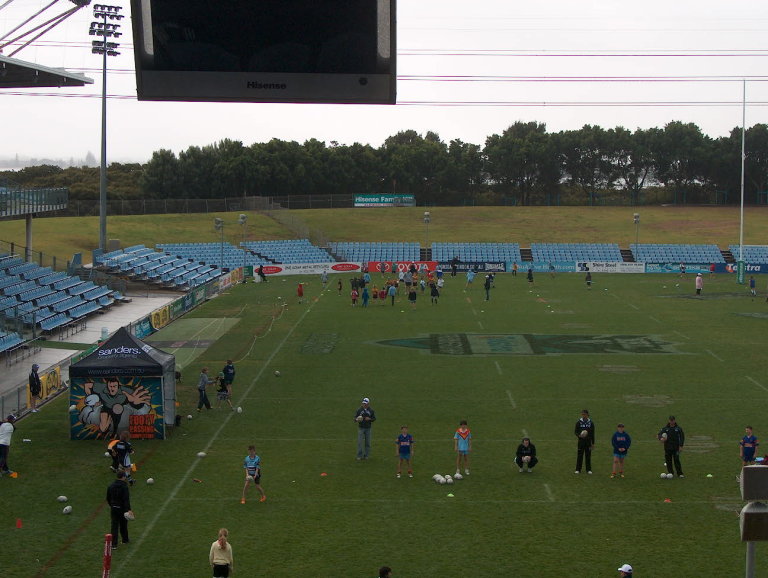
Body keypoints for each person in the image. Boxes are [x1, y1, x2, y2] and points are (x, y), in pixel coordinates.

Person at [105, 470, 133, 549]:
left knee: (114, 526)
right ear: (123, 477)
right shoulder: (124, 486)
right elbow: (126, 499)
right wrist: (129, 509)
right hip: (122, 508)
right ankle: (125, 540)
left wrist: (112, 505)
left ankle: (113, 545)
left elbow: (108, 498)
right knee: (123, 524)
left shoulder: (111, 485)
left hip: (114, 508)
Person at [574, 409, 595, 474]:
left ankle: (588, 469)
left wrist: (593, 443)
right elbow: (576, 432)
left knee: (588, 455)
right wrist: (579, 435)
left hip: (588, 442)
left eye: (584, 414)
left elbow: (592, 434)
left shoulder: (591, 423)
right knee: (580, 455)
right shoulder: (579, 422)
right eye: (582, 414)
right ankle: (578, 469)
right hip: (581, 442)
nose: (583, 416)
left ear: (587, 415)